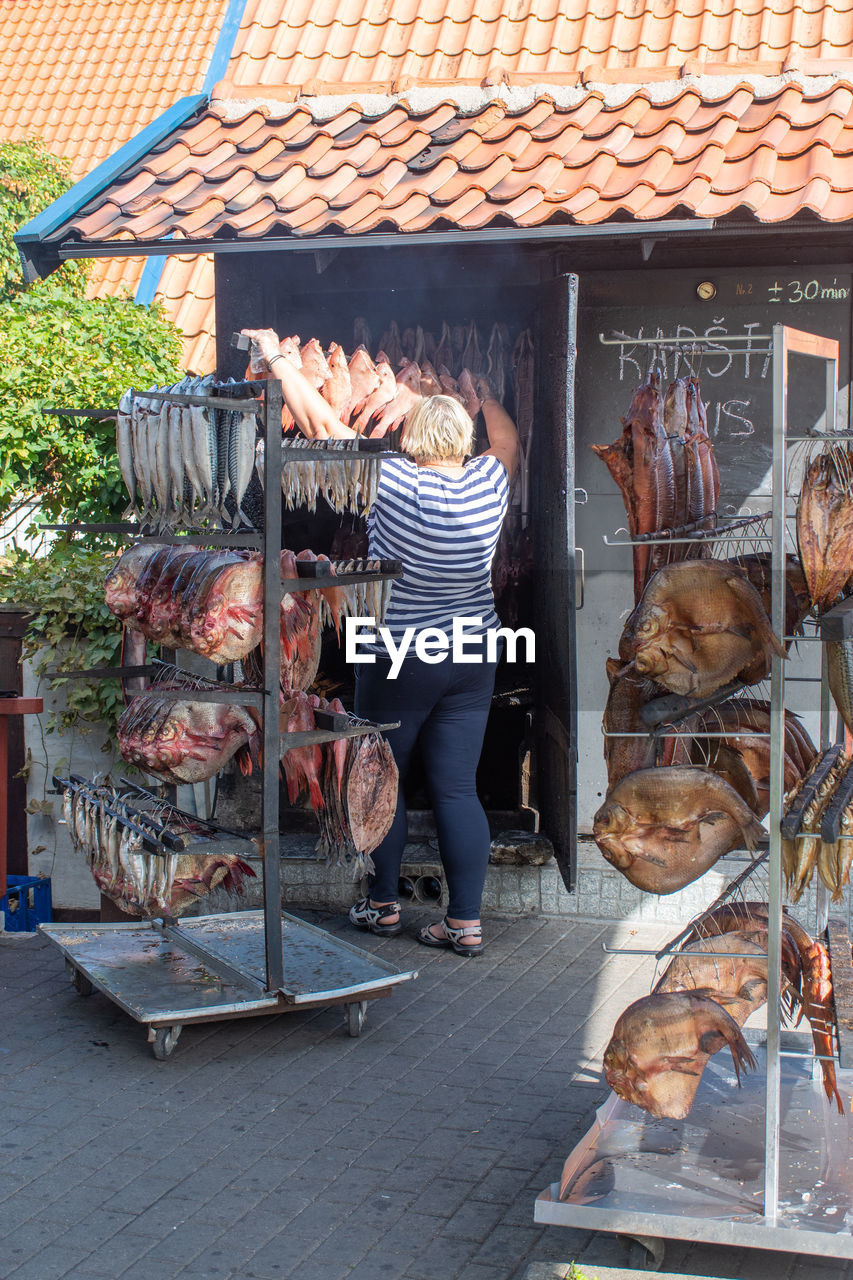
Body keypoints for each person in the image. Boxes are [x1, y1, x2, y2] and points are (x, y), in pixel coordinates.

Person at [242, 328, 519, 956]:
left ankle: (382, 904)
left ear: (411, 438)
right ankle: (465, 922)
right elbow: (508, 440)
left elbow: (320, 425)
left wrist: (283, 361)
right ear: (465, 443)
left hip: (397, 653)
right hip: (473, 657)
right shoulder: (488, 487)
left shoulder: (391, 482)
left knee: (383, 773)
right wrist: (481, 399)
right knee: (456, 788)